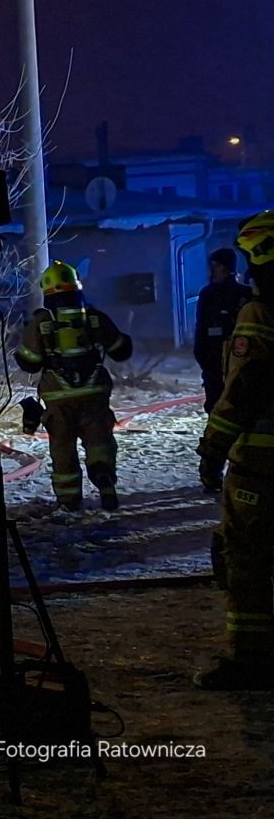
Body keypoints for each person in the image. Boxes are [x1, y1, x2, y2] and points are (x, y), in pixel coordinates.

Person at [196, 210, 274, 689]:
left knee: (245, 559)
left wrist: (212, 449)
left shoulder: (260, 315)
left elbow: (243, 391)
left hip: (262, 465)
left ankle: (252, 661)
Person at [14, 261, 134, 512]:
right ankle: (104, 480)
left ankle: (69, 500)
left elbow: (30, 363)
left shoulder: (42, 322)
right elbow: (121, 350)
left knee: (63, 447)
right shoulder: (94, 317)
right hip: (94, 393)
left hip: (58, 397)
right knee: (99, 440)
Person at [197, 248, 255, 413]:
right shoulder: (208, 294)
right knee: (216, 404)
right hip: (215, 361)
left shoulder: (244, 294)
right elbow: (201, 329)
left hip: (238, 361)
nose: (211, 271)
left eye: (215, 266)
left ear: (224, 267)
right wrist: (204, 360)